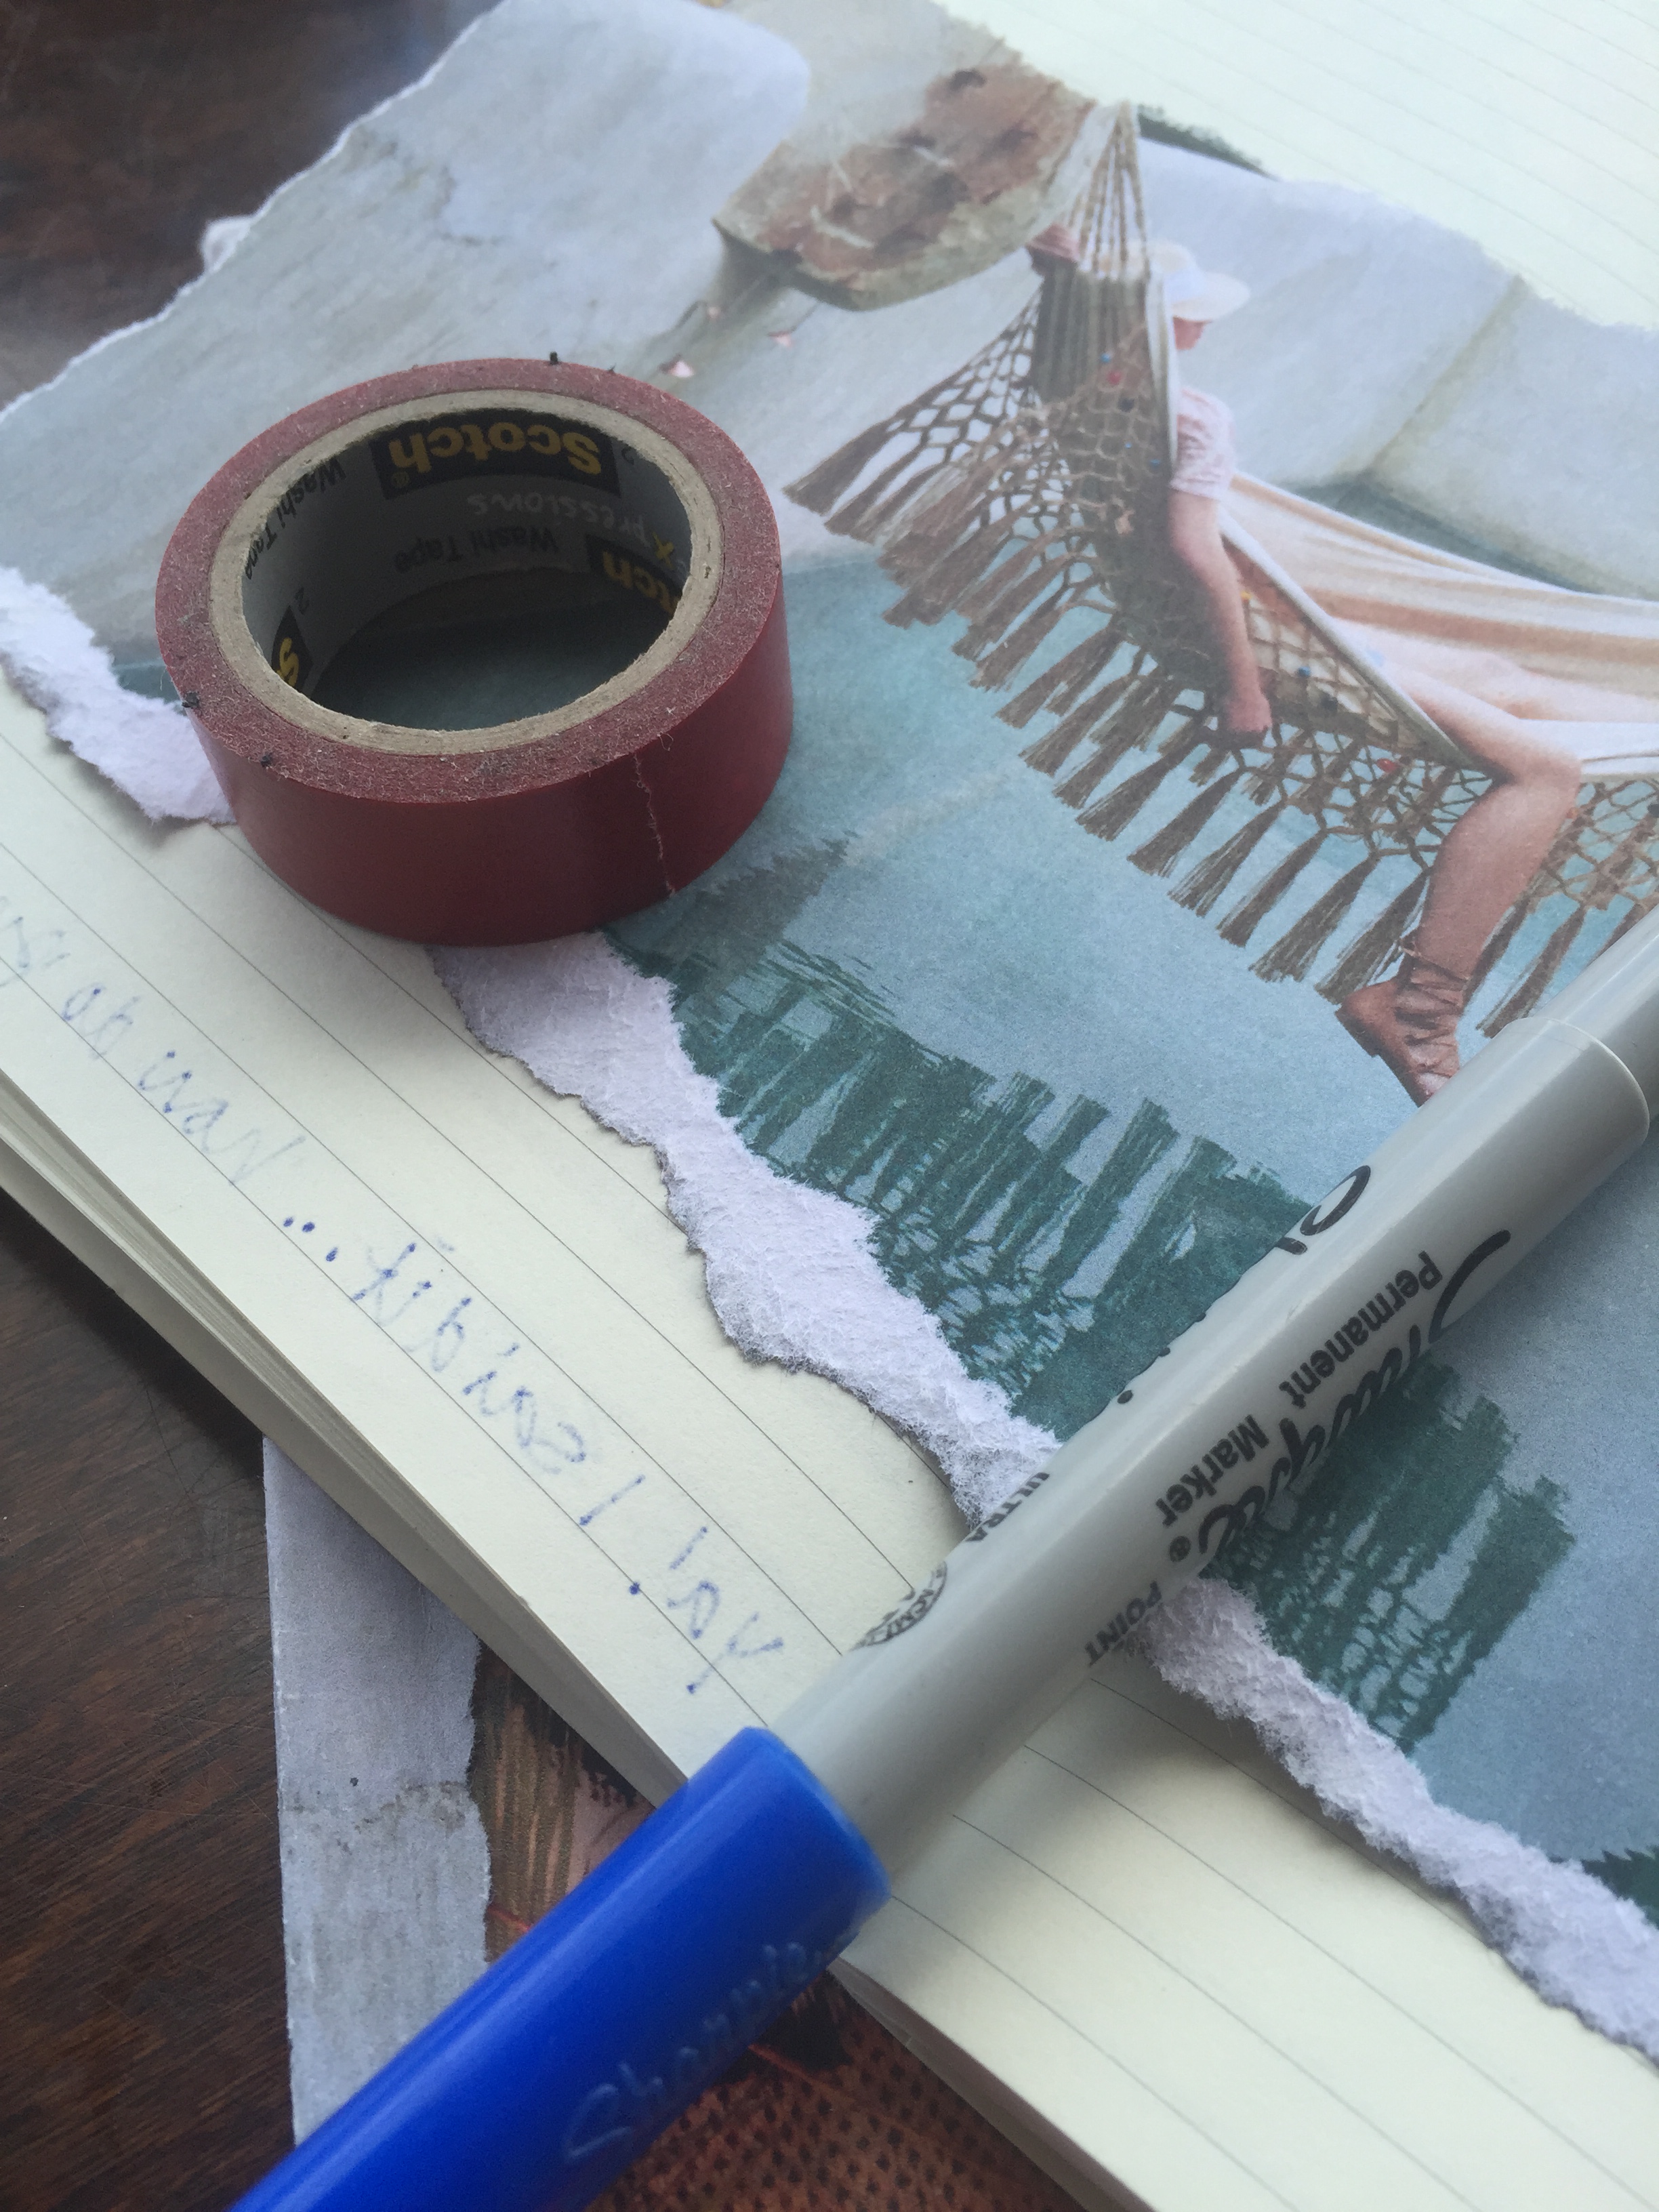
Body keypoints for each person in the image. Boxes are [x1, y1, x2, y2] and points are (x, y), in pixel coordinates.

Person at [1026, 228, 1659, 1104]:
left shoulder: (1082, 388)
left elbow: (1074, 350)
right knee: (1546, 769)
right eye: (1189, 315)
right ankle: (1417, 1008)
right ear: (1161, 328)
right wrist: (1243, 689)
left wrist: (1063, 284)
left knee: (1503, 679)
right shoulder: (1197, 420)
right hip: (1271, 651)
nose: (1202, 329)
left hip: (1265, 627)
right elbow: (1195, 548)